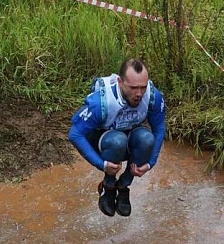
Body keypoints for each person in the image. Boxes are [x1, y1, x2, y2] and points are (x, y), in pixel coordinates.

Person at [68, 58, 166, 217]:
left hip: (129, 137)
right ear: (120, 82)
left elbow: (160, 128)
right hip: (104, 141)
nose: (139, 94)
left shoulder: (153, 97)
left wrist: (150, 163)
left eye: (143, 87)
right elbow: (75, 134)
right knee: (117, 140)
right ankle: (109, 186)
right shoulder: (100, 102)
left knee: (147, 139)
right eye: (133, 88)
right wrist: (101, 164)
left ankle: (123, 186)